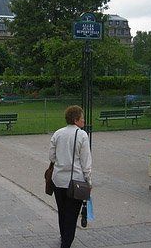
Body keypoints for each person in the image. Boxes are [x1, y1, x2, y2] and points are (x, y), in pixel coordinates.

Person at [49, 105, 92, 248]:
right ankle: (66, 242)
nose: (83, 120)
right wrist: (88, 180)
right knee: (72, 215)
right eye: (82, 118)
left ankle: (64, 237)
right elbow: (86, 161)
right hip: (75, 181)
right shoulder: (82, 135)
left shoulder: (58, 133)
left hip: (58, 179)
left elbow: (52, 156)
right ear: (75, 120)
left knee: (62, 211)